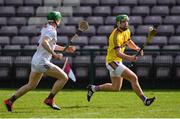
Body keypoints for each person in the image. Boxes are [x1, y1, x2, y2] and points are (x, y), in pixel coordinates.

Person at [4, 11, 76, 111]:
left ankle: (10, 100)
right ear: (57, 20)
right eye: (59, 19)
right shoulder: (52, 31)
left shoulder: (46, 27)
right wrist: (55, 55)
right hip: (42, 61)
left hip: (35, 60)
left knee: (31, 85)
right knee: (64, 77)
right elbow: (44, 43)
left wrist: (65, 48)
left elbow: (51, 44)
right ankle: (50, 99)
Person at [87, 14, 155, 106]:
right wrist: (130, 58)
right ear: (118, 23)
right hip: (112, 62)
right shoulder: (115, 36)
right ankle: (145, 100)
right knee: (133, 77)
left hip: (117, 61)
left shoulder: (127, 31)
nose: (126, 23)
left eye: (127, 21)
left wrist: (137, 48)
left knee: (115, 87)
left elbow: (128, 42)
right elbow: (118, 53)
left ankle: (93, 88)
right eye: (123, 22)